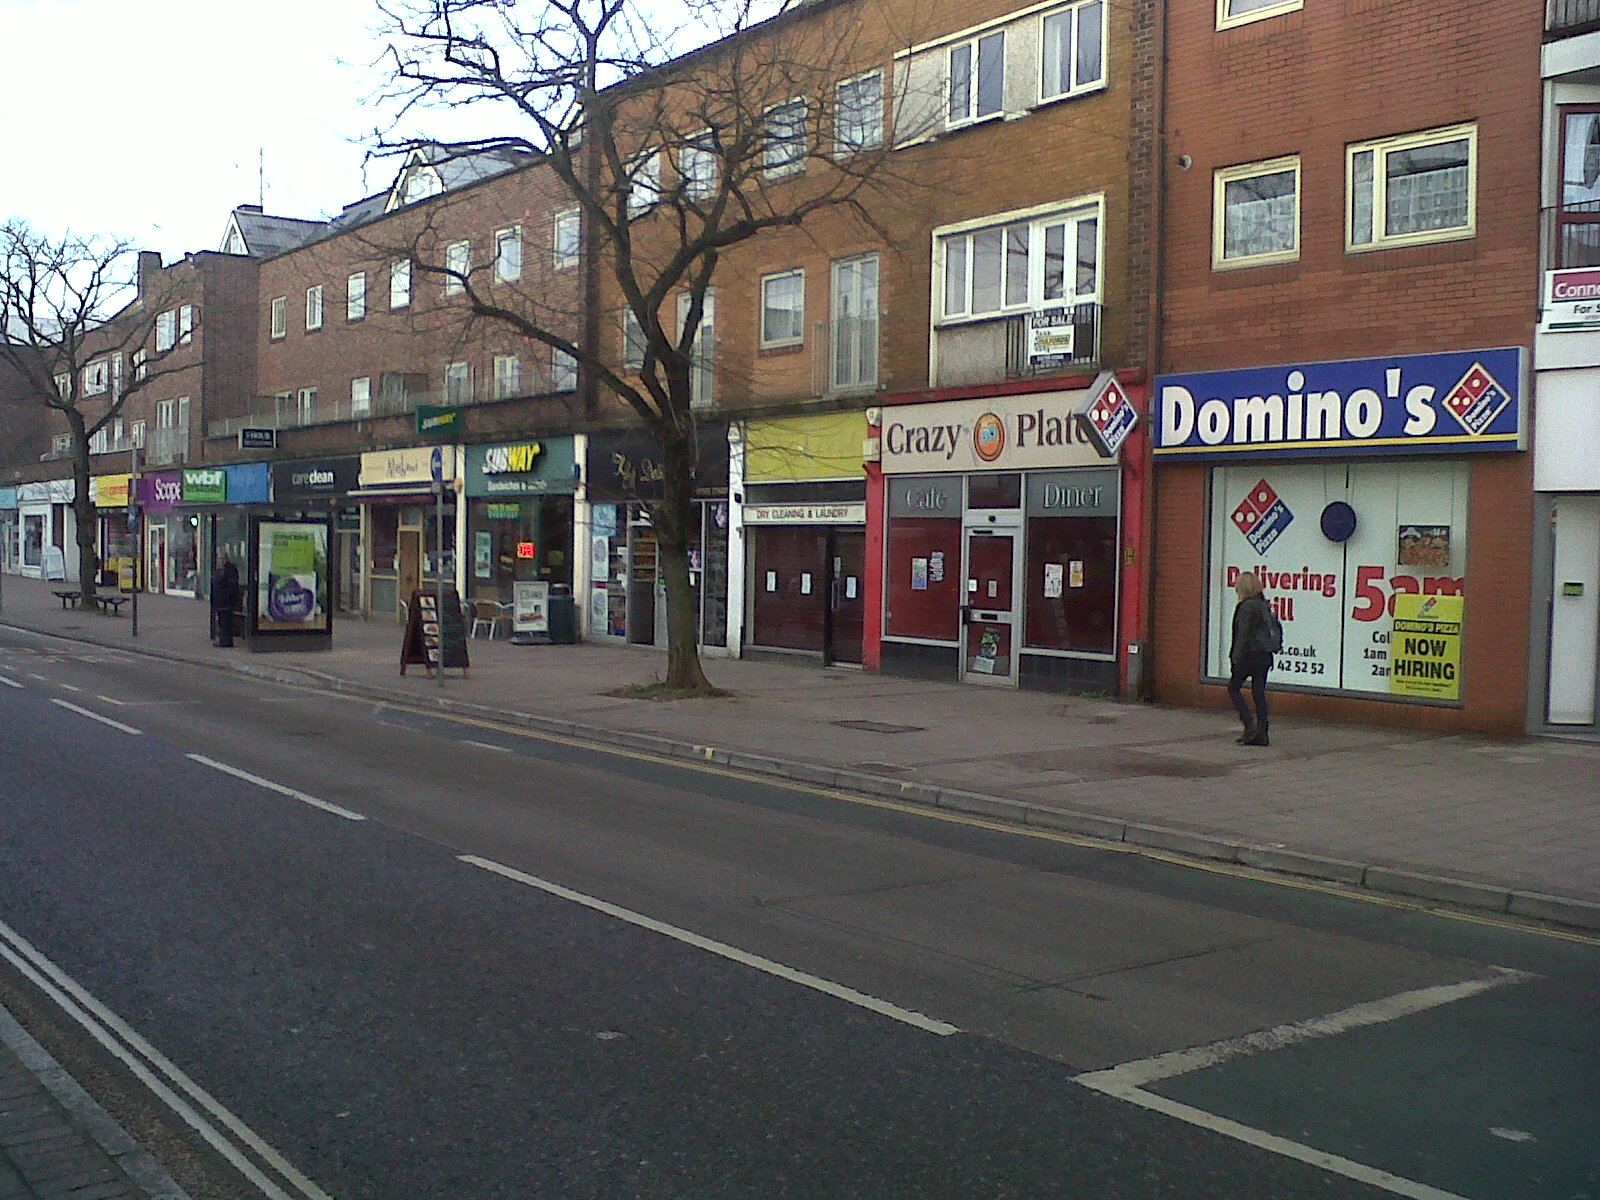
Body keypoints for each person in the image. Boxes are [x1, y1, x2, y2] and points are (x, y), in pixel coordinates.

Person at [1228, 571, 1275, 746]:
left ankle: (1250, 726)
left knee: (1233, 688)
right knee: (1258, 692)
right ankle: (1262, 732)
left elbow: (1243, 635)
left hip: (1249, 655)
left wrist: (1235, 658)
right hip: (1264, 655)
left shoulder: (1246, 607)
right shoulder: (1263, 605)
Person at [211, 551, 241, 648]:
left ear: (226, 558)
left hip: (226, 600)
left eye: (222, 558)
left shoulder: (230, 569)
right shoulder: (219, 569)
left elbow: (231, 585)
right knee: (221, 620)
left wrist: (227, 596)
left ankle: (226, 641)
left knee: (226, 621)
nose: (220, 560)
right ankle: (223, 639)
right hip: (219, 600)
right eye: (219, 559)